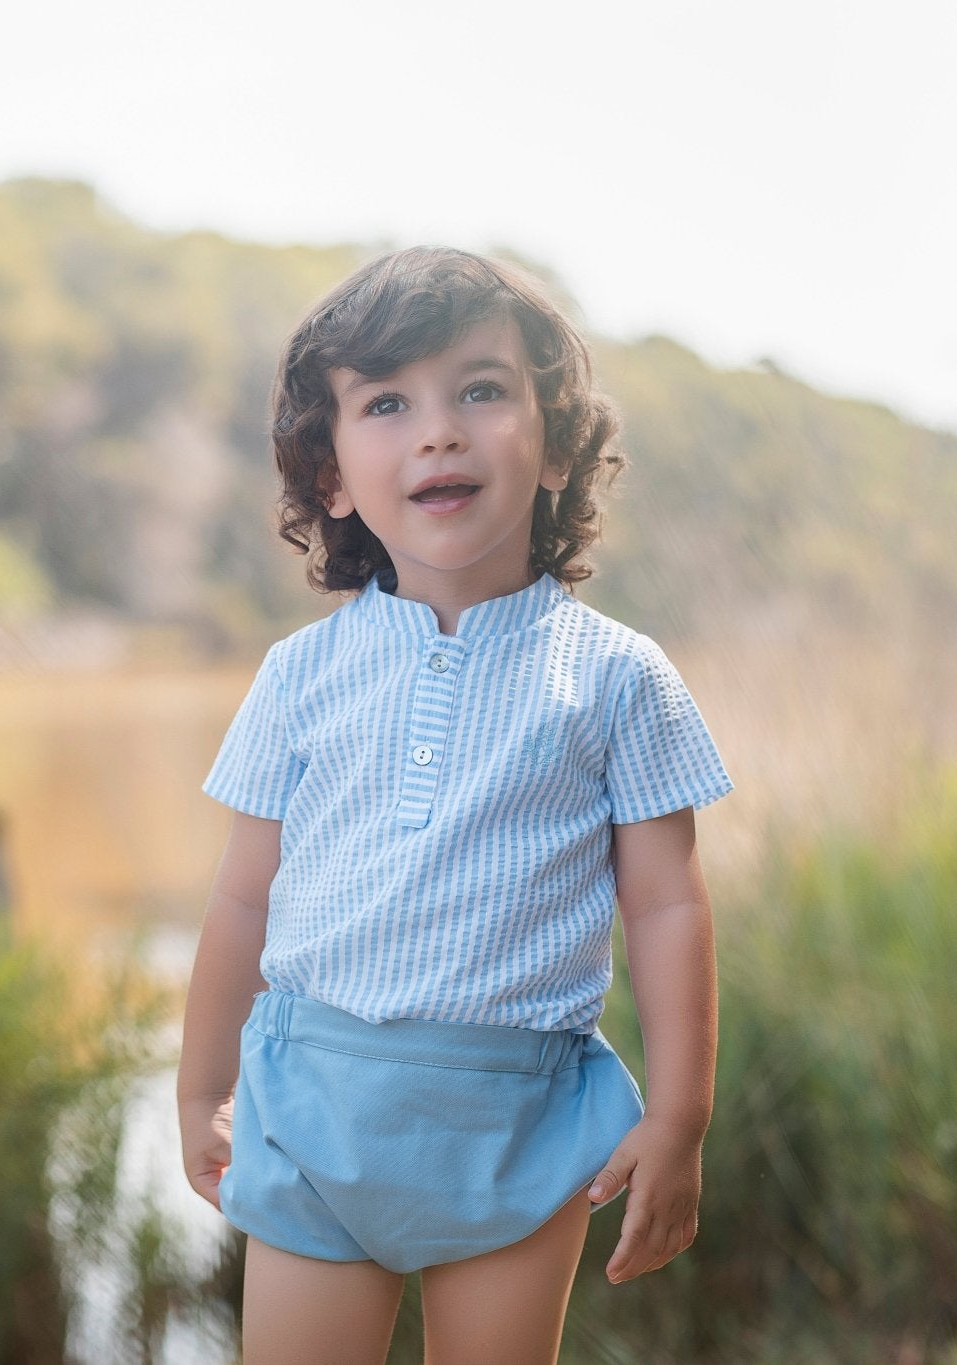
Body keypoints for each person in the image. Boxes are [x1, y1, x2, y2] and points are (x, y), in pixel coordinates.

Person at [175, 245, 735, 1365]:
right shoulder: (297, 677)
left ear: (557, 444)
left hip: (516, 1131)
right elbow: (242, 902)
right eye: (386, 403)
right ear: (329, 475)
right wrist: (200, 1092)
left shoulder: (617, 678)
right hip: (311, 1117)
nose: (437, 430)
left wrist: (677, 1121)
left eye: (479, 389)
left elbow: (667, 908)